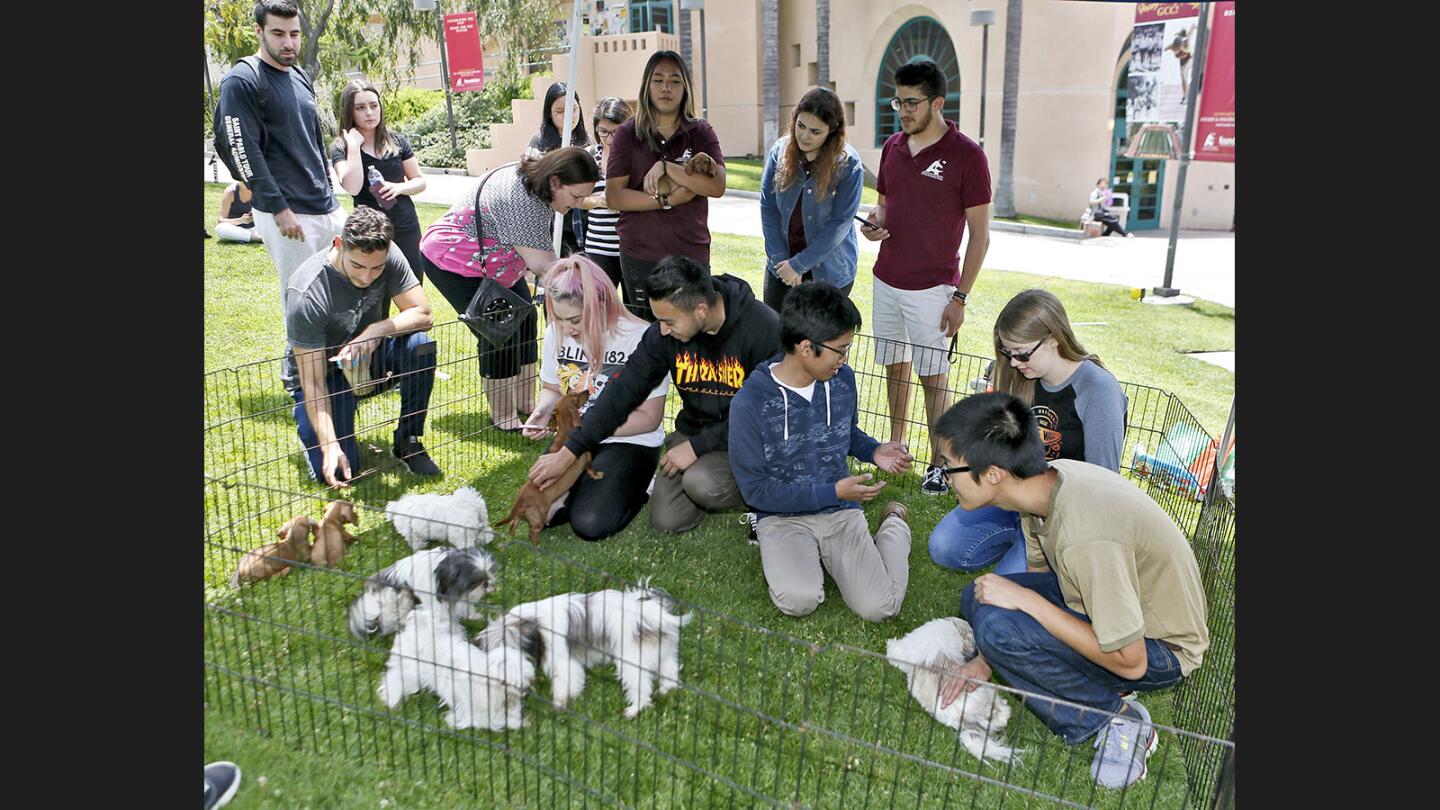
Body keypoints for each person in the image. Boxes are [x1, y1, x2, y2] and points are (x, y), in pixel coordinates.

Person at [929, 392, 1208, 790]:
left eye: (949, 468)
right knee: (982, 595)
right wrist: (986, 661)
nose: (943, 477)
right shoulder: (1044, 487)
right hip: (1109, 613)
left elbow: (1133, 662)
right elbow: (1047, 582)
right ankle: (1083, 675)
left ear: (992, 473)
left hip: (1158, 648)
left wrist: (1022, 605)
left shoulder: (1086, 538)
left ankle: (1115, 718)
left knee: (999, 627)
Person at [527, 256, 778, 534]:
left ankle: (767, 498)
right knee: (666, 521)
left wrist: (697, 448)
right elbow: (621, 393)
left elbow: (766, 414)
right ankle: (712, 476)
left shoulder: (764, 329)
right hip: (695, 431)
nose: (661, 329)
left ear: (701, 310)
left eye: (668, 321)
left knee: (702, 482)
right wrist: (569, 451)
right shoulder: (664, 334)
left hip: (754, 437)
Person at [728, 282, 916, 621]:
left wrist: (874, 450)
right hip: (781, 517)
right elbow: (754, 491)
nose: (844, 360)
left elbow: (847, 432)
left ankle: (893, 524)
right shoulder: (750, 402)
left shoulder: (843, 380)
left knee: (880, 607)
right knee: (798, 600)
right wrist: (830, 491)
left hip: (841, 511)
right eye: (840, 350)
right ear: (805, 347)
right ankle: (805, 558)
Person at [861, 58, 992, 497]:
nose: (903, 110)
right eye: (898, 101)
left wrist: (960, 297)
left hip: (933, 288)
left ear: (937, 102)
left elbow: (980, 237)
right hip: (885, 280)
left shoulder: (968, 156)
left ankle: (939, 463)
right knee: (894, 369)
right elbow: (884, 205)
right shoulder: (893, 147)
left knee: (933, 378)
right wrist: (873, 224)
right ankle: (897, 446)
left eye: (912, 103)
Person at [929, 289, 1127, 573]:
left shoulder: (1098, 391)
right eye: (1007, 353)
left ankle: (1029, 554)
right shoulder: (1021, 376)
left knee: (1011, 587)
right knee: (943, 548)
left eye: (1021, 354)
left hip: (1060, 516)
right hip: (1012, 500)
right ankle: (1016, 541)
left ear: (1054, 339)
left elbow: (1103, 482)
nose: (1013, 363)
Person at [418, 148, 601, 432]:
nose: (578, 204)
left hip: (499, 266)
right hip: (455, 261)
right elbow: (544, 267)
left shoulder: (536, 184)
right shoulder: (522, 200)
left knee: (525, 320)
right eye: (576, 196)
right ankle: (503, 416)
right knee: (500, 332)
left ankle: (526, 402)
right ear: (554, 182)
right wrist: (587, 284)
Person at [284, 206, 440, 487]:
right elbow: (313, 383)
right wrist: (331, 446)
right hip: (326, 372)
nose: (367, 277)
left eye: (376, 268)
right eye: (357, 266)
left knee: (420, 345)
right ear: (339, 244)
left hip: (370, 354)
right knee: (339, 470)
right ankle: (321, 435)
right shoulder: (307, 294)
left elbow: (424, 314)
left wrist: (375, 331)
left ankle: (408, 439)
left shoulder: (389, 255)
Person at [520, 255, 668, 542]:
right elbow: (553, 388)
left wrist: (584, 430)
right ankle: (579, 490)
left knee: (589, 524)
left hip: (628, 440)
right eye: (559, 320)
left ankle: (639, 486)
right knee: (536, 513)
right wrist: (542, 410)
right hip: (575, 437)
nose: (567, 330)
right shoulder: (557, 333)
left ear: (601, 305)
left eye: (575, 320)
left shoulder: (640, 337)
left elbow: (649, 419)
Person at [217, 0, 347, 306]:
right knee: (304, 300)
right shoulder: (243, 80)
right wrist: (279, 209)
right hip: (287, 211)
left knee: (342, 290)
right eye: (278, 34)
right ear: (259, 31)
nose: (289, 43)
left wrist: (328, 190)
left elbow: (313, 140)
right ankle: (299, 357)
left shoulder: (299, 75)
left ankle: (338, 354)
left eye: (294, 33)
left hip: (325, 206)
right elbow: (241, 149)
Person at [605, 50, 726, 321]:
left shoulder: (701, 132)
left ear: (685, 88)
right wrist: (668, 199)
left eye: (675, 81)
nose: (666, 88)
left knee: (693, 343)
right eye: (658, 80)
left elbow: (716, 186)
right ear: (647, 85)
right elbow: (614, 197)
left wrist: (667, 168)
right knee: (647, 340)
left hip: (691, 256)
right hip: (640, 256)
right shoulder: (627, 133)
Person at [758, 87, 864, 314]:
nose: (805, 136)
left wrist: (799, 265)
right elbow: (768, 207)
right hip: (781, 267)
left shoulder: (849, 164)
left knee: (818, 345)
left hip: (829, 273)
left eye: (815, 131)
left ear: (832, 131)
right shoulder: (780, 150)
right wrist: (781, 262)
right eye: (801, 126)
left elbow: (840, 223)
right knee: (776, 339)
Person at [331, 78, 429, 322]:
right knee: (375, 296)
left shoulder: (397, 141)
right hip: (370, 232)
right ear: (349, 111)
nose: (369, 112)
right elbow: (352, 187)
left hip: (405, 226)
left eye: (374, 105)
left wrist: (398, 188)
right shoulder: (342, 147)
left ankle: (408, 349)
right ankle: (375, 349)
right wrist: (354, 148)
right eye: (360, 107)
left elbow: (420, 181)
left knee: (411, 290)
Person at [577, 97, 634, 308]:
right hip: (598, 247)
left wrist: (622, 200)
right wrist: (600, 202)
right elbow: (576, 200)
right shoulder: (589, 156)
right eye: (603, 131)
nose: (608, 139)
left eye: (615, 132)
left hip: (630, 246)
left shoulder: (636, 157)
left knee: (634, 308)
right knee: (599, 307)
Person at [526, 82, 590, 256]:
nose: (569, 116)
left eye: (574, 109)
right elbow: (529, 184)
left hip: (583, 225)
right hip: (552, 223)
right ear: (550, 113)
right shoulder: (540, 143)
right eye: (560, 112)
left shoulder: (586, 143)